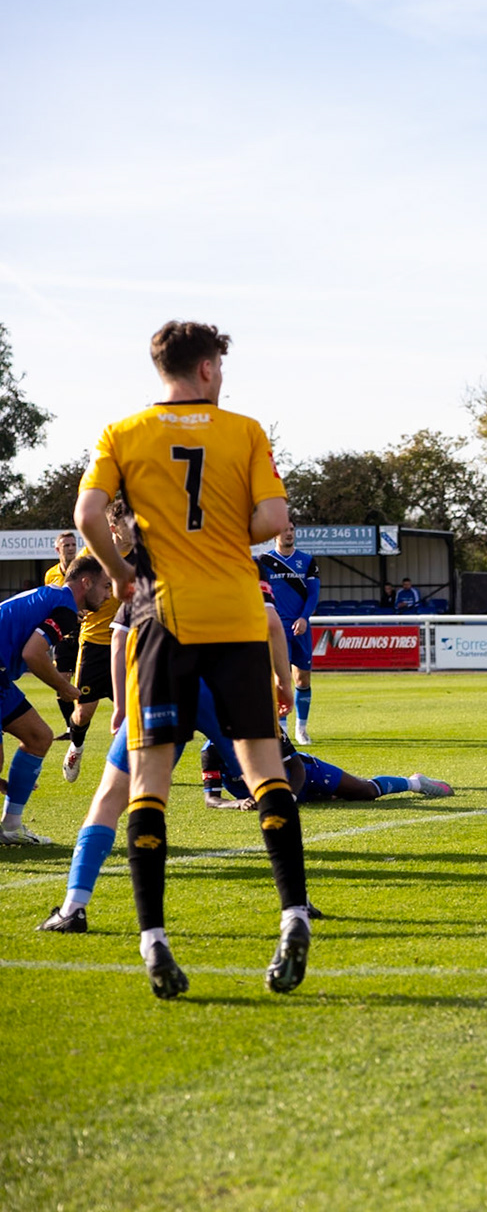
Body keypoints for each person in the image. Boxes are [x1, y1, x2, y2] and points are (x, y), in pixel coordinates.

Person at [74, 318, 312, 1000]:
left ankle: (153, 938)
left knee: (149, 778)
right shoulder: (245, 431)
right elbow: (272, 521)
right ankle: (293, 914)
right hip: (237, 610)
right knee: (262, 767)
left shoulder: (122, 433)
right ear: (207, 368)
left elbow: (89, 513)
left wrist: (122, 570)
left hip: (161, 614)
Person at [40, 576, 300, 934]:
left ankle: (74, 907)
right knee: (271, 789)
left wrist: (122, 702)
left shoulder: (153, 563)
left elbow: (119, 637)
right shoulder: (233, 558)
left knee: (112, 797)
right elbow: (271, 622)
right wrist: (282, 680)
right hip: (224, 689)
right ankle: (295, 902)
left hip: (162, 684)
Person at [0, 557, 109, 844]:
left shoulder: (57, 600)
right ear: (86, 583)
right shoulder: (64, 607)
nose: (110, 594)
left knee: (38, 736)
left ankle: (11, 827)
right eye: (106, 586)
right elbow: (33, 653)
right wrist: (64, 687)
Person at [50, 511, 133, 782]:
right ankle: (77, 745)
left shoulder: (144, 556)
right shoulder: (94, 553)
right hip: (95, 643)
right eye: (127, 523)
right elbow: (71, 587)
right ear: (114, 528)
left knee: (138, 708)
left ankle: (135, 766)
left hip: (132, 642)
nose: (134, 527)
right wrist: (73, 608)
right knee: (84, 712)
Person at [203, 737, 452, 808]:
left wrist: (288, 798)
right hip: (276, 793)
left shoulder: (264, 727)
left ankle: (414, 783)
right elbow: (210, 798)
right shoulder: (210, 752)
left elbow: (296, 767)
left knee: (364, 792)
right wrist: (235, 803)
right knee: (333, 800)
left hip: (308, 773)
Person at [259, 521, 321, 744]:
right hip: (277, 627)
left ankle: (301, 730)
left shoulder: (307, 561)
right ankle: (282, 730)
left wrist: (304, 617)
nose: (288, 533)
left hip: (301, 626)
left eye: (291, 530)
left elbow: (313, 595)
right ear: (275, 534)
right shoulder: (264, 562)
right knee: (279, 678)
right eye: (284, 530)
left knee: (302, 679)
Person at [42, 531, 80, 734]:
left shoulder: (84, 569)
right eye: (66, 545)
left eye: (73, 544)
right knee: (61, 681)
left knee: (93, 681)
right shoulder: (51, 574)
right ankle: (70, 727)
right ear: (58, 549)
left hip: (85, 634)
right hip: (63, 637)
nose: (71, 548)